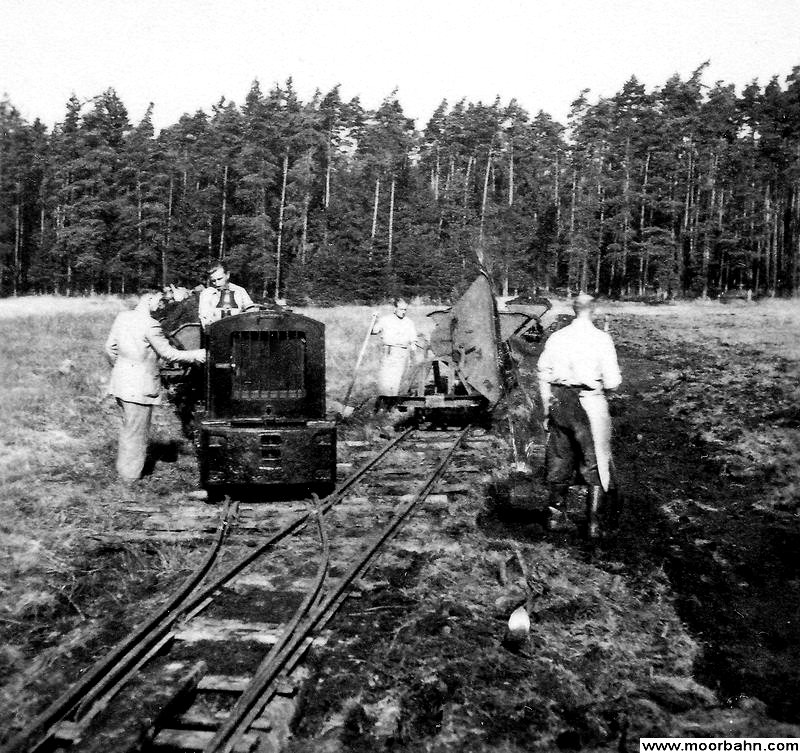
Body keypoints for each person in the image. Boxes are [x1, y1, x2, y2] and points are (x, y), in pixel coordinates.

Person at [536, 292, 622, 539]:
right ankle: (594, 524)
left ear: (574, 310)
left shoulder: (557, 338)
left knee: (560, 458)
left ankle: (555, 517)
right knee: (595, 459)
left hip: (560, 401)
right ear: (592, 311)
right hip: (589, 402)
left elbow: (543, 372)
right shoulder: (601, 339)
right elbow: (613, 381)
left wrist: (546, 407)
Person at [105, 291, 206, 483]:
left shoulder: (122, 317)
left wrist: (123, 368)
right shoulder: (151, 324)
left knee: (129, 426)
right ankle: (130, 477)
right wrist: (196, 354)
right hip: (140, 385)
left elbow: (110, 348)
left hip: (121, 381)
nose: (160, 306)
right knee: (137, 430)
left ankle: (124, 471)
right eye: (159, 301)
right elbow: (168, 354)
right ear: (149, 299)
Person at [371, 297, 420, 397]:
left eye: (405, 309)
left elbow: (413, 341)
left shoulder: (409, 322)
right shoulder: (385, 320)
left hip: (402, 353)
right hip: (389, 352)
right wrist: (374, 318)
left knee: (397, 380)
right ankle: (383, 402)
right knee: (386, 379)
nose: (404, 312)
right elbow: (373, 331)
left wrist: (414, 356)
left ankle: (393, 403)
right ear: (395, 309)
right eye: (401, 309)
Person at [197, 261, 254, 328]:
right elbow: (205, 318)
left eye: (220, 279)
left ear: (227, 275)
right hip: (216, 331)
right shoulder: (206, 294)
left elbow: (251, 311)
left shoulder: (240, 291)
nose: (217, 283)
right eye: (213, 281)